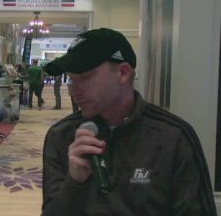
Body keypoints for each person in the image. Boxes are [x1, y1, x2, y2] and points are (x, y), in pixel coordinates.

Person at [41, 28, 217, 216]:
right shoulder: (61, 135)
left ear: (123, 73)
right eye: (72, 80)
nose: (73, 91)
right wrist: (74, 182)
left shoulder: (174, 137)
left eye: (84, 78)